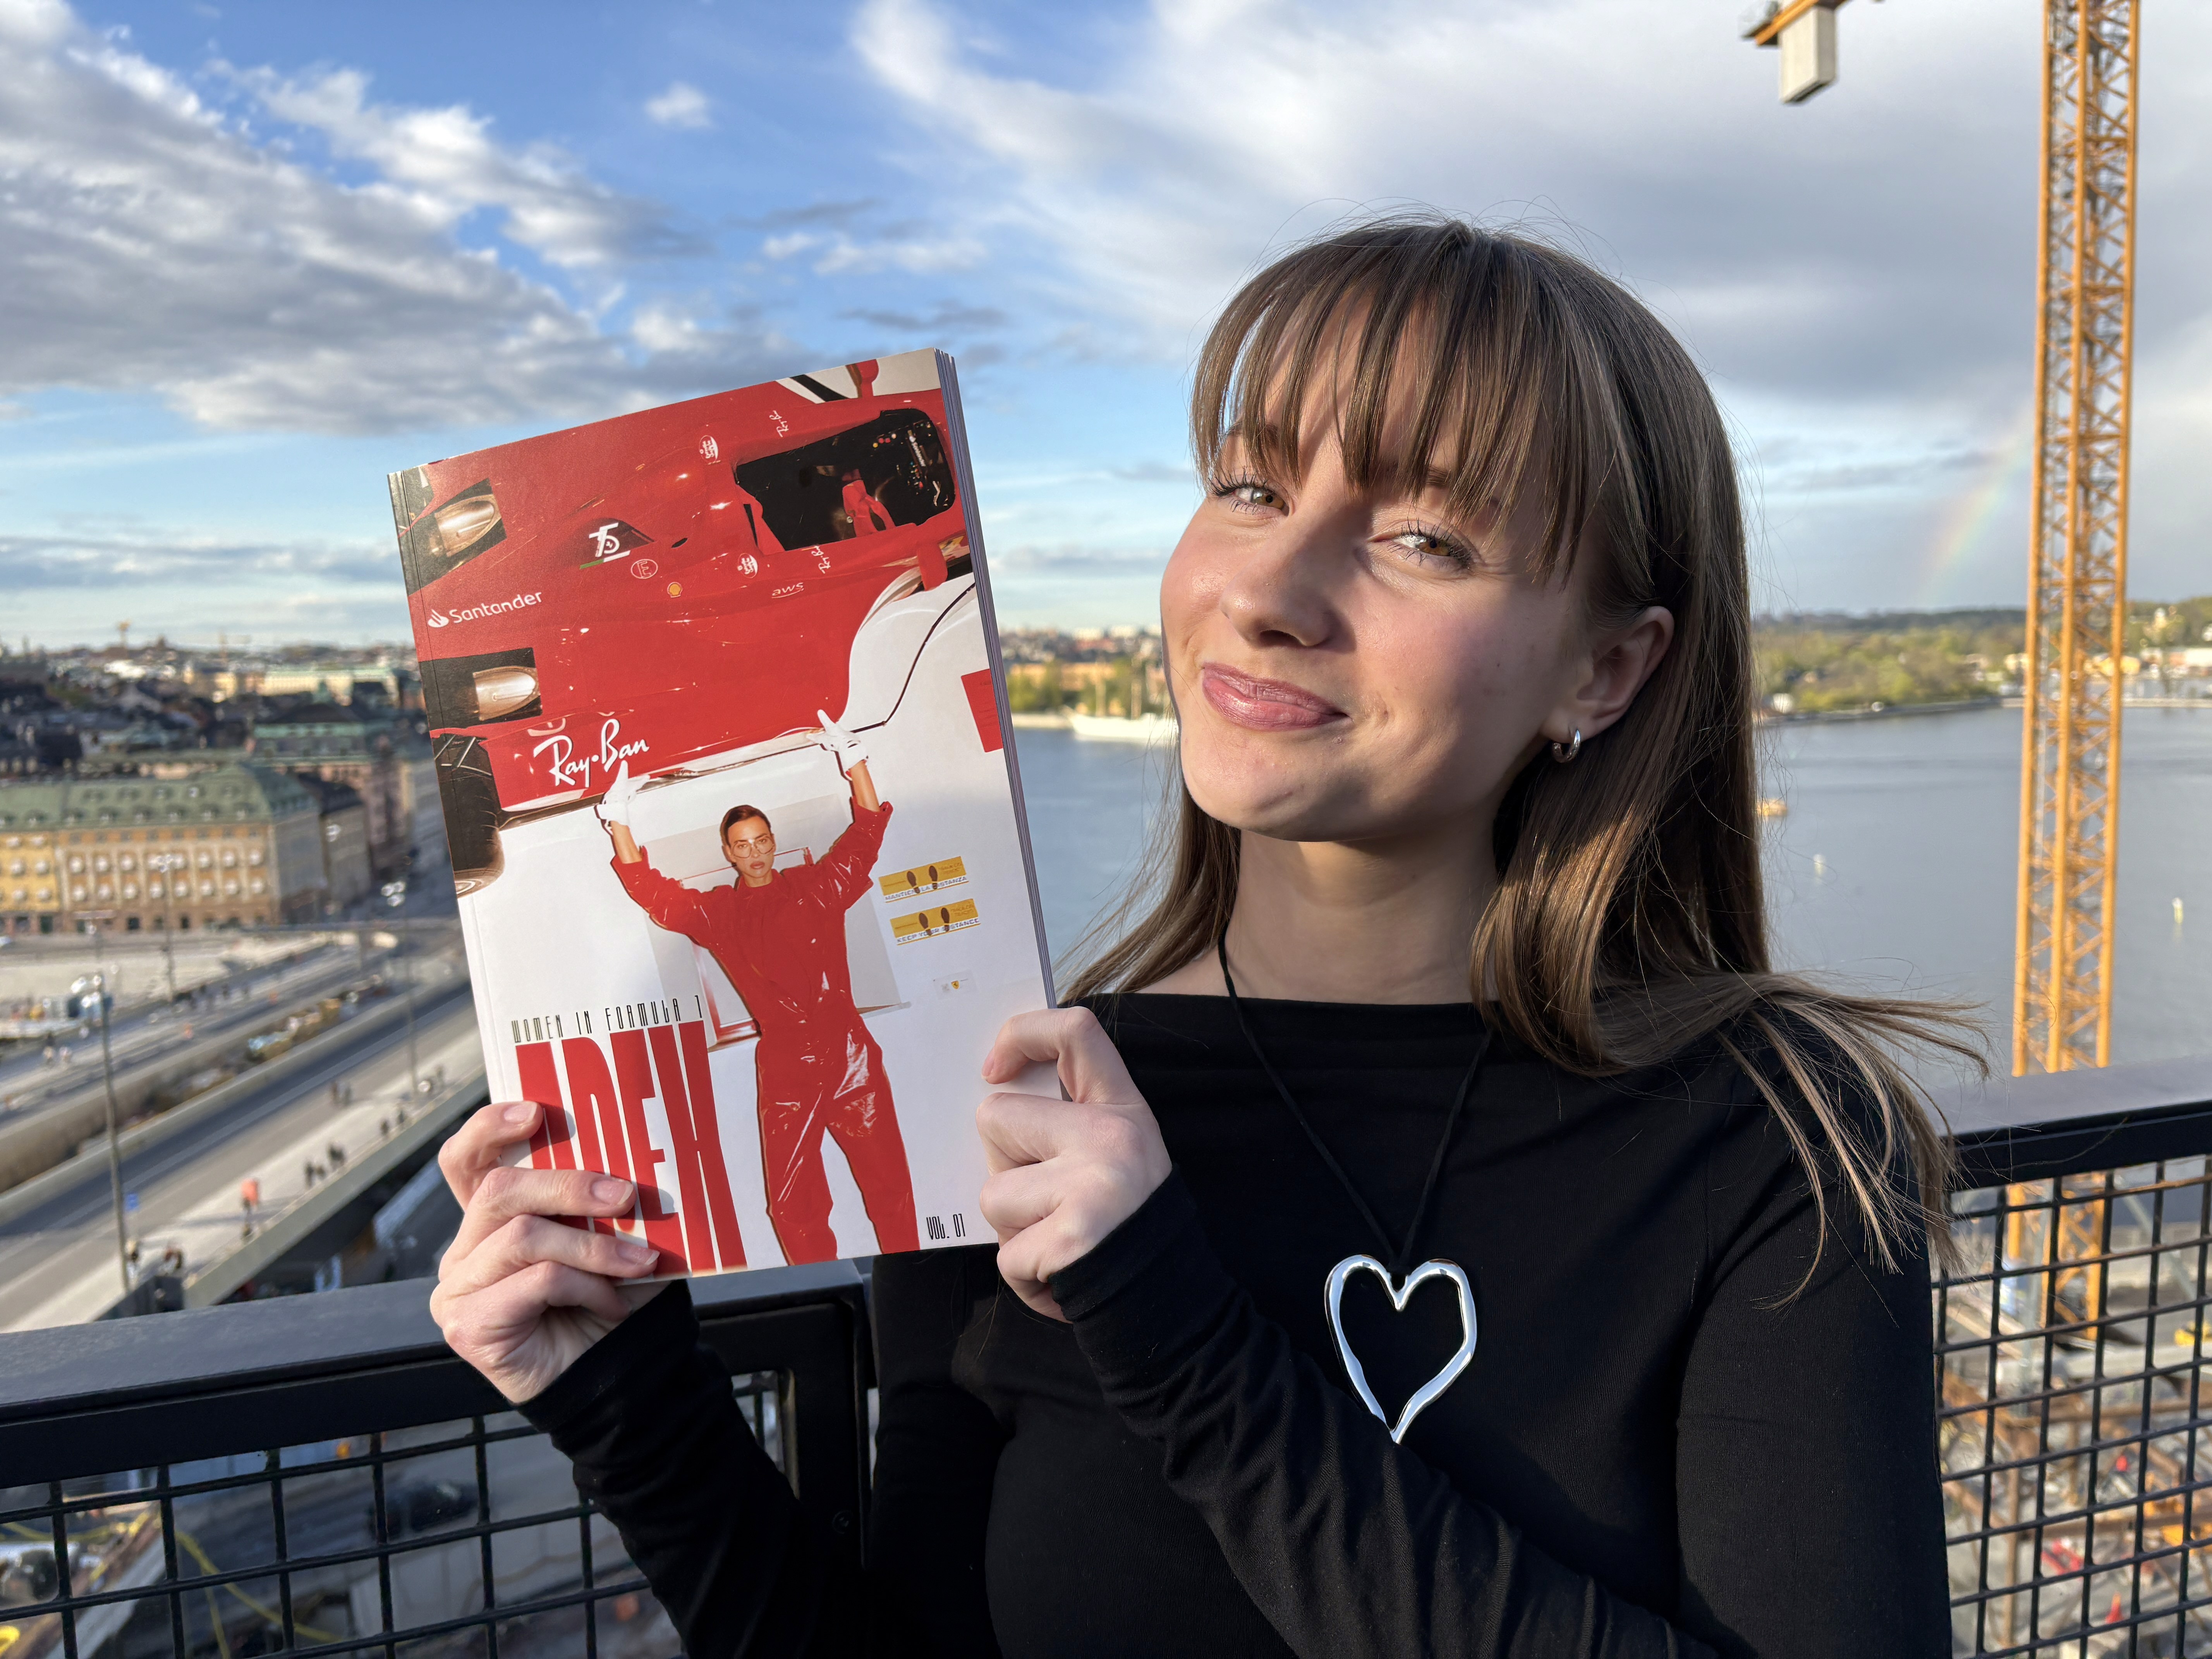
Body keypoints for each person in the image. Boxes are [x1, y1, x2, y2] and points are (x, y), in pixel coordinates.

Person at [430, 216, 1967, 1656]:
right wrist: (620, 1391)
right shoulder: (1017, 1092)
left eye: (1425, 535)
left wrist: (1176, 1332)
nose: (1271, 593)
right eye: (1249, 487)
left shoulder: (1774, 1143)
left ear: (1609, 673)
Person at [596, 714, 921, 1264]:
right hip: (787, 1066)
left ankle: (915, 1286)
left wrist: (853, 760)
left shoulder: (819, 887)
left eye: (762, 840)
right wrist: (618, 823)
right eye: (742, 845)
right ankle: (823, 1287)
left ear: (773, 842)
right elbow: (653, 892)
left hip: (850, 1055)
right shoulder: (719, 914)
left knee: (891, 1190)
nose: (755, 852)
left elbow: (867, 832)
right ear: (729, 853)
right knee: (792, 1207)